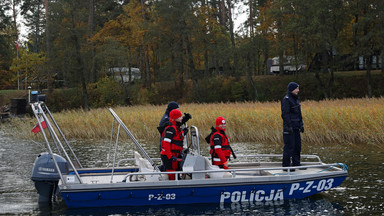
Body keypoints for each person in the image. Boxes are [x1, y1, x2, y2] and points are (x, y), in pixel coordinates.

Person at [281, 82, 304, 170]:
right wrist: (288, 126)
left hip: (296, 127)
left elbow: (299, 113)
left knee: (297, 146)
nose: (298, 90)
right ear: (292, 89)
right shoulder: (286, 99)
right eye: (297, 88)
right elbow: (285, 114)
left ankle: (296, 164)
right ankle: (286, 166)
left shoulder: (296, 99)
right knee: (289, 147)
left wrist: (301, 124)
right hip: (289, 128)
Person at [160, 109, 187, 180]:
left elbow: (177, 138)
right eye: (180, 117)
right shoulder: (171, 129)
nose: (182, 118)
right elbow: (166, 143)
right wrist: (170, 156)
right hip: (170, 156)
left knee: (178, 172)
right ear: (175, 118)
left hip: (176, 155)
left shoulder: (176, 128)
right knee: (172, 175)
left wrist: (184, 132)